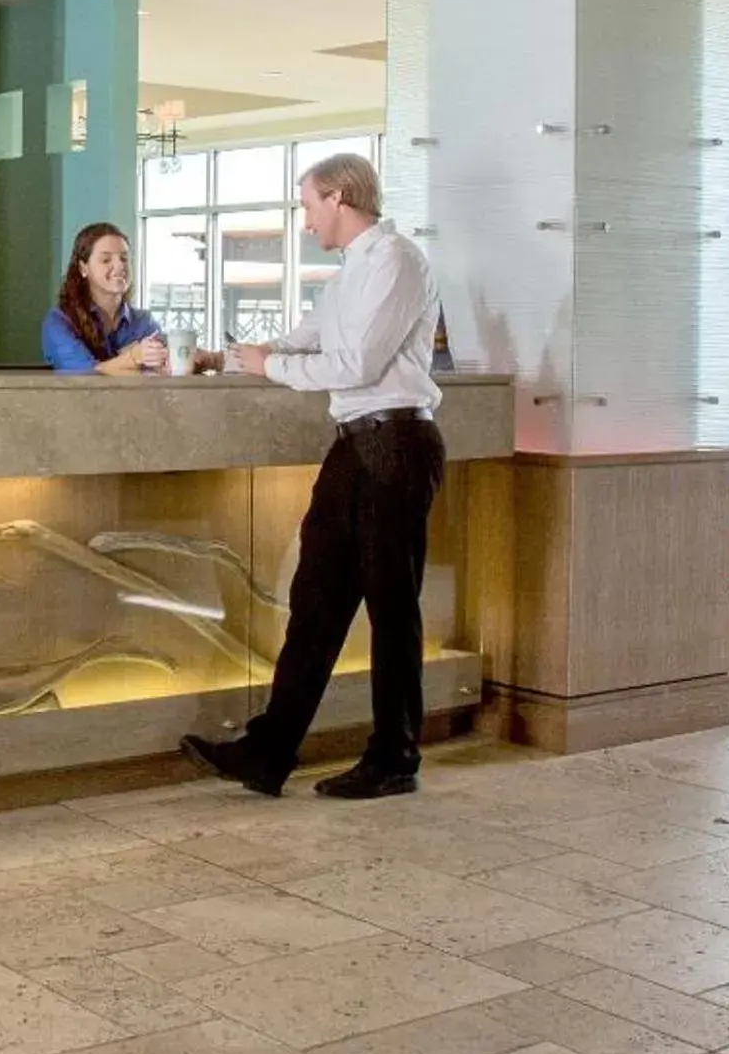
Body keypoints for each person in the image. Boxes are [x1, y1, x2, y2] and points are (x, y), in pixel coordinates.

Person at [181, 152, 442, 800]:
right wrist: (242, 357)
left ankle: (395, 755)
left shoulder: (397, 261)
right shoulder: (352, 270)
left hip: (396, 442)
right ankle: (270, 751)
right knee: (315, 600)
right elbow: (309, 336)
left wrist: (271, 368)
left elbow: (353, 361)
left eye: (307, 205)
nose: (305, 222)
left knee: (390, 605)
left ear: (340, 197)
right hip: (356, 445)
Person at [42, 223, 222, 375]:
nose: (120, 266)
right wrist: (134, 358)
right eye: (106, 260)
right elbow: (88, 374)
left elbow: (163, 370)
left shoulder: (143, 322)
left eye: (124, 258)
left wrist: (196, 360)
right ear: (83, 268)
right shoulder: (59, 322)